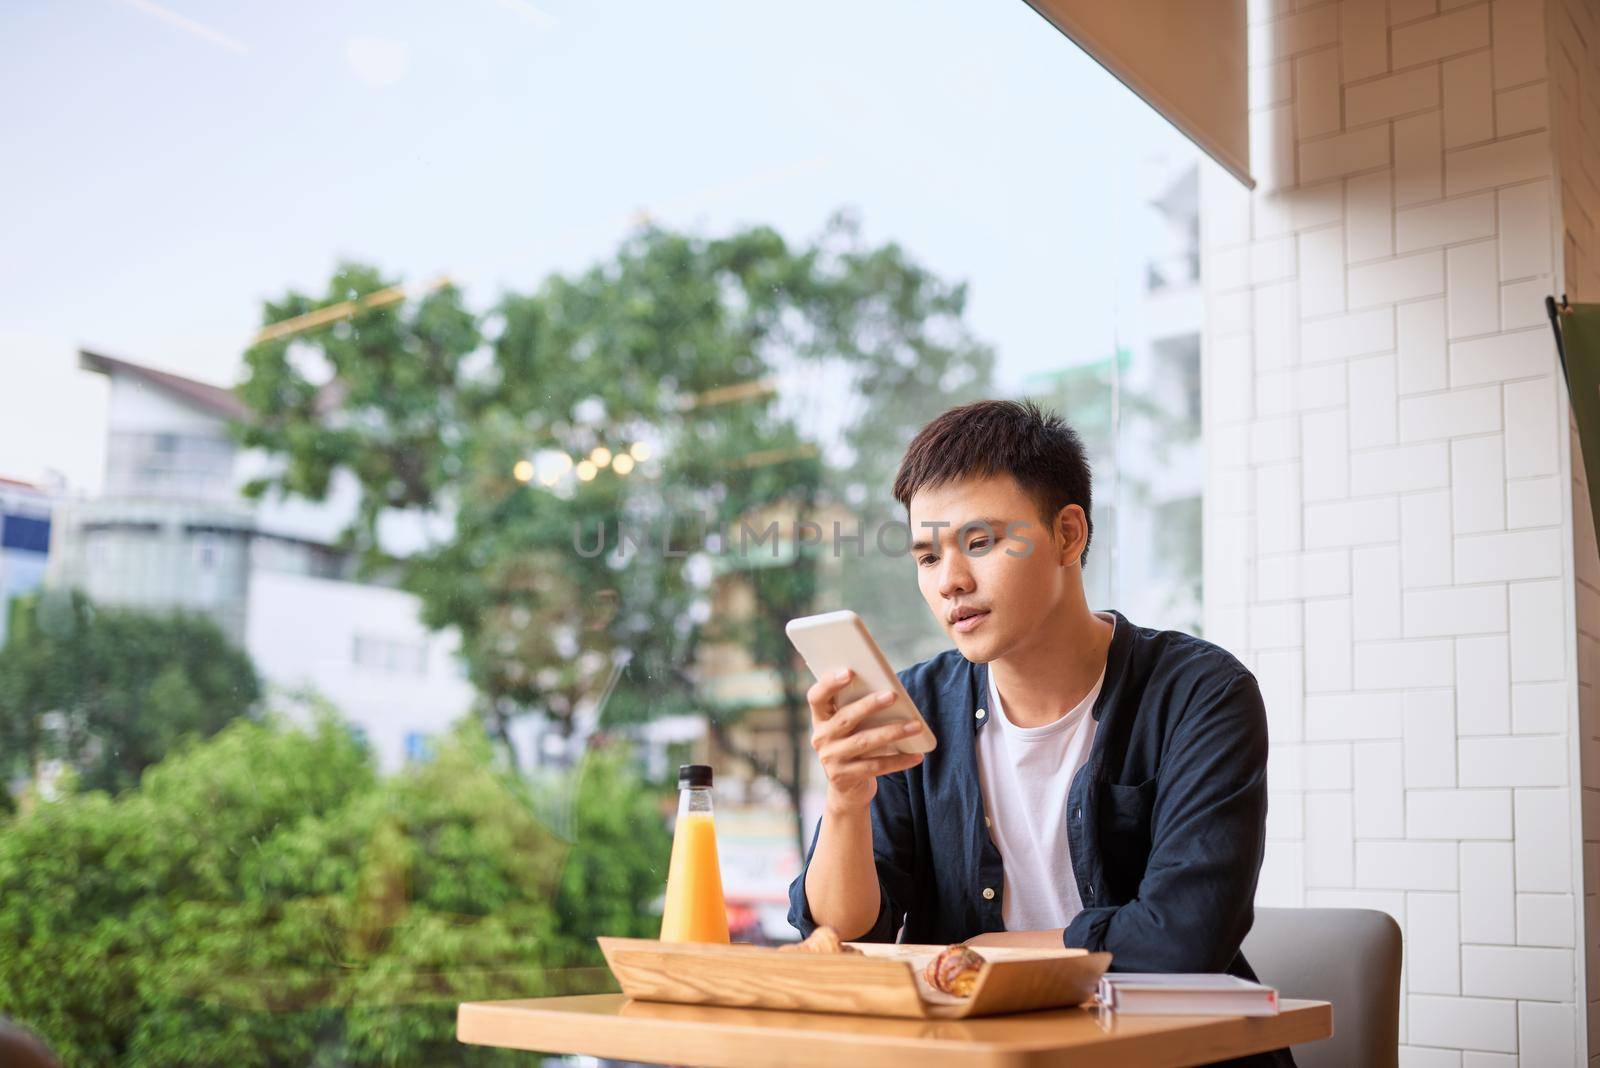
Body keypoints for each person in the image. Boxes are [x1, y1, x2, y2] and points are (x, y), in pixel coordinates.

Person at [787, 399, 1290, 1068]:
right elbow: (845, 933)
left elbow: (1185, 940)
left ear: (1069, 535)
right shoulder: (917, 707)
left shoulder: (1201, 695)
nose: (951, 582)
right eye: (928, 556)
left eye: (980, 542)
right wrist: (846, 804)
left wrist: (984, 955)